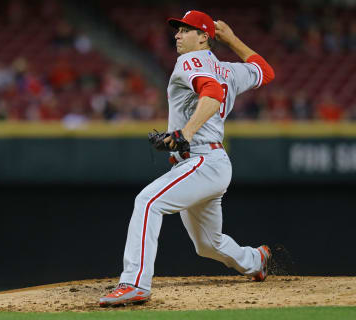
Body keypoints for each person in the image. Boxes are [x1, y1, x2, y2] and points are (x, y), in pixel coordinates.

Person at [99, 10, 275, 307]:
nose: (177, 35)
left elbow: (212, 93)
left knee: (148, 202)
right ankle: (255, 259)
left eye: (186, 30)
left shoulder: (190, 61)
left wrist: (185, 133)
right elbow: (264, 71)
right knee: (208, 244)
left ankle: (134, 283)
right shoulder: (229, 70)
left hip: (202, 159)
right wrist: (232, 40)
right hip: (210, 162)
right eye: (177, 30)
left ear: (204, 37)